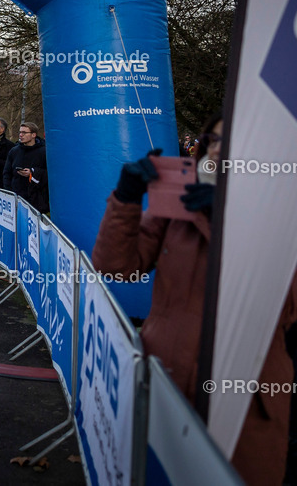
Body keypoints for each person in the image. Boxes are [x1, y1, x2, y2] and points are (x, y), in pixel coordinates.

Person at [92, 114, 297, 485]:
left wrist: (233, 221)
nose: (218, 149)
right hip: (164, 380)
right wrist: (125, 197)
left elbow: (287, 307)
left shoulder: (285, 210)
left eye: (230, 141)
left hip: (244, 402)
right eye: (213, 140)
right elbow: (117, 267)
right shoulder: (180, 201)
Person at [3, 122, 49, 213]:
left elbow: (50, 174)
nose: (21, 135)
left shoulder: (44, 152)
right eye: (20, 132)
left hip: (37, 200)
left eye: (24, 133)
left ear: (33, 135)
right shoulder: (14, 151)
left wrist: (33, 173)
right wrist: (9, 192)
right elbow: (6, 173)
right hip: (16, 197)